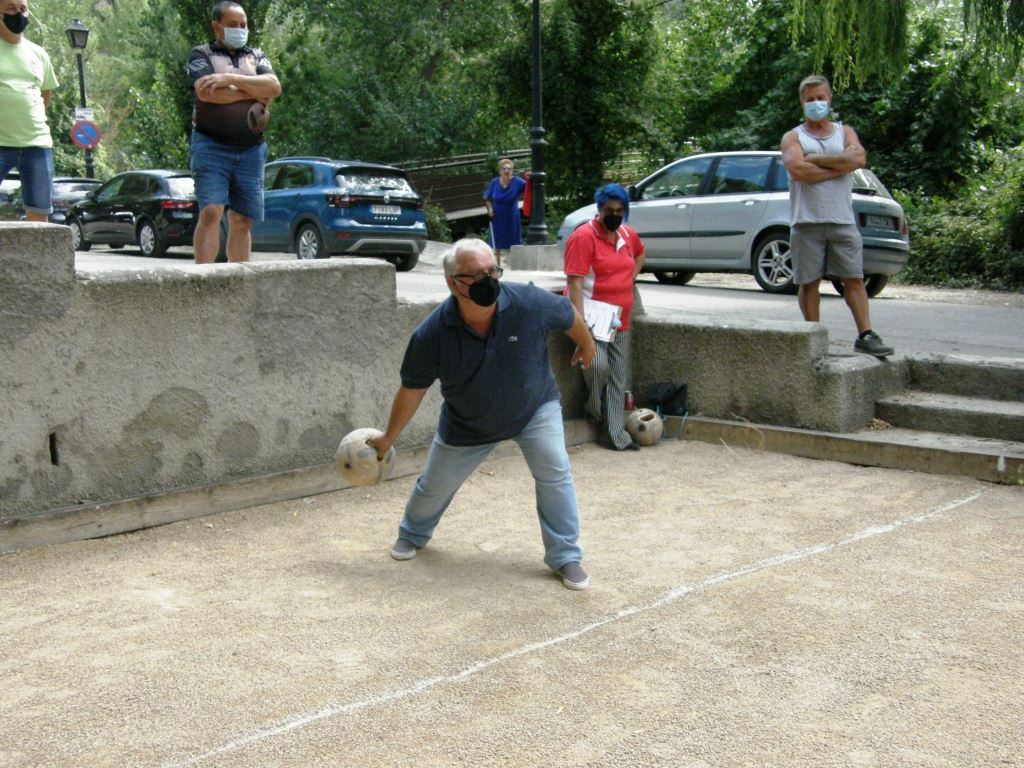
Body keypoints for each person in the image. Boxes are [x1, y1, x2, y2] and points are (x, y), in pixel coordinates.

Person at [367, 238, 598, 590]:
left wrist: (587, 343)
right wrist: (388, 438)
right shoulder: (432, 334)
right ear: (452, 282)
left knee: (555, 470)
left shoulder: (528, 302)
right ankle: (412, 533)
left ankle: (566, 556)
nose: (488, 279)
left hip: (534, 408)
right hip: (468, 422)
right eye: (476, 275)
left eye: (492, 271)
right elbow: (412, 391)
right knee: (434, 485)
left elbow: (568, 315)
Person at [781, 74, 894, 358]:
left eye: (821, 97)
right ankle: (812, 337)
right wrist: (839, 166)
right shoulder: (793, 137)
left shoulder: (845, 133)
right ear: (802, 102)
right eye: (810, 99)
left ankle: (866, 335)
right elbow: (798, 171)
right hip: (806, 221)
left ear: (829, 98)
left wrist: (817, 159)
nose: (816, 103)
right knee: (809, 282)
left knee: (854, 278)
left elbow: (857, 160)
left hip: (842, 219)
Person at [187, 1, 281, 263]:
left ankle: (239, 282)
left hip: (251, 149)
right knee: (211, 211)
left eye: (243, 25)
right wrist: (253, 92)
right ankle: (203, 281)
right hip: (210, 146)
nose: (240, 29)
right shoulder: (201, 54)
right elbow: (207, 93)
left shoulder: (257, 55)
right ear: (216, 26)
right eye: (232, 25)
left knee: (242, 219)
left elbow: (273, 87)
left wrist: (231, 80)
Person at [563, 183, 646, 451]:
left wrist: (630, 278)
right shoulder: (584, 237)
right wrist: (580, 323)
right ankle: (593, 408)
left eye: (620, 210)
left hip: (620, 316)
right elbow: (575, 282)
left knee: (618, 375)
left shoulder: (627, 234)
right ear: (599, 210)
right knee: (599, 366)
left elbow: (641, 252)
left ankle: (614, 434)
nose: (614, 214)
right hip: (592, 315)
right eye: (609, 210)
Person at [0, 0, 57, 223]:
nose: (19, 15)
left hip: (37, 145)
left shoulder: (38, 53)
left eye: (23, 9)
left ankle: (41, 259)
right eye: (11, 9)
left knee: (39, 215)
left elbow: (46, 94)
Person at [483, 158, 527, 266]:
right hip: (497, 215)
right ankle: (497, 265)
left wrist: (530, 177)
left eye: (509, 168)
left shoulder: (518, 182)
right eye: (504, 168)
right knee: (496, 241)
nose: (507, 170)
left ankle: (516, 264)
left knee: (514, 239)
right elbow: (487, 198)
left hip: (511, 215)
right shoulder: (495, 182)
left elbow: (529, 188)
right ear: (500, 171)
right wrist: (490, 208)